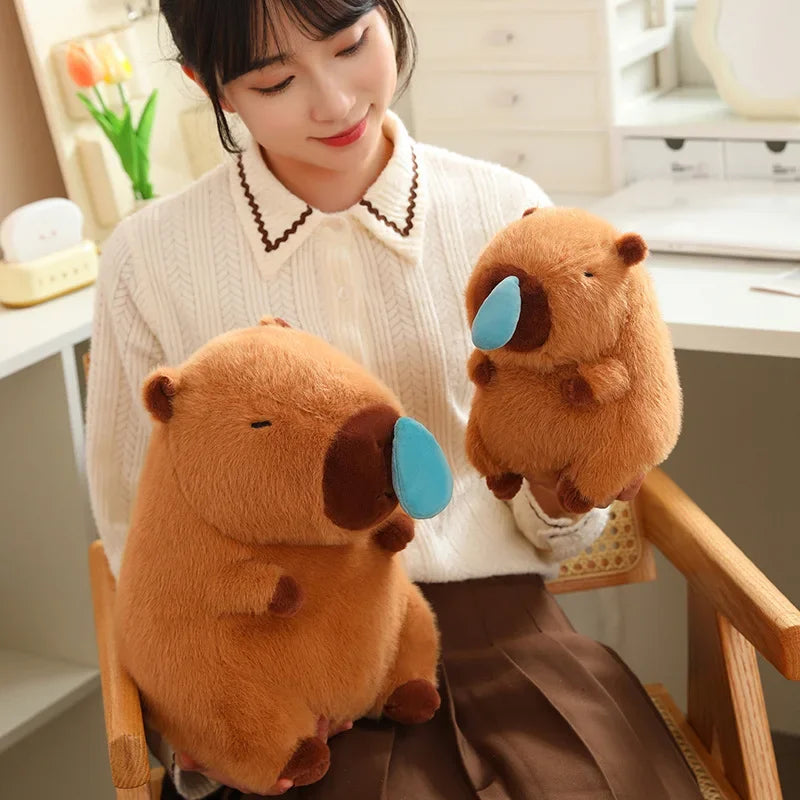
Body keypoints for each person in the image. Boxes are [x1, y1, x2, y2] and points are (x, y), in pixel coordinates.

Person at [84, 1, 703, 798]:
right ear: (216, 88)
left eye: (351, 46)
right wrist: (209, 699)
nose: (335, 101)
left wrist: (563, 494)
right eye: (276, 80)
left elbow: (554, 525)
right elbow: (137, 523)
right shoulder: (151, 258)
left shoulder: (503, 208)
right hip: (294, 670)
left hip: (506, 639)